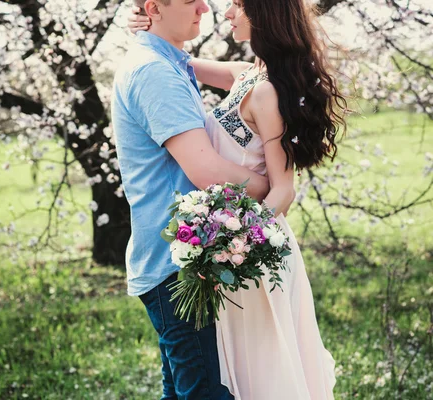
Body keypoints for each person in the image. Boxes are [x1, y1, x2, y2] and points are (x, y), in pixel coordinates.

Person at [127, 0, 347, 399]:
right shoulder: (248, 75)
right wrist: (149, 26)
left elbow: (284, 187)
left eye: (236, 5)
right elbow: (182, 63)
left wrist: (237, 241)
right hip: (223, 236)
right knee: (218, 376)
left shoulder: (267, 93)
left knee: (254, 374)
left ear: (264, 13)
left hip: (247, 243)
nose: (224, 12)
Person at [111, 0, 274, 398]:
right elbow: (208, 172)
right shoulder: (154, 72)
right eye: (190, 0)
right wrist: (276, 184)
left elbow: (250, 76)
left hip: (180, 258)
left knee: (186, 391)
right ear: (154, 6)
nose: (205, 6)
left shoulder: (168, 62)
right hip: (176, 267)